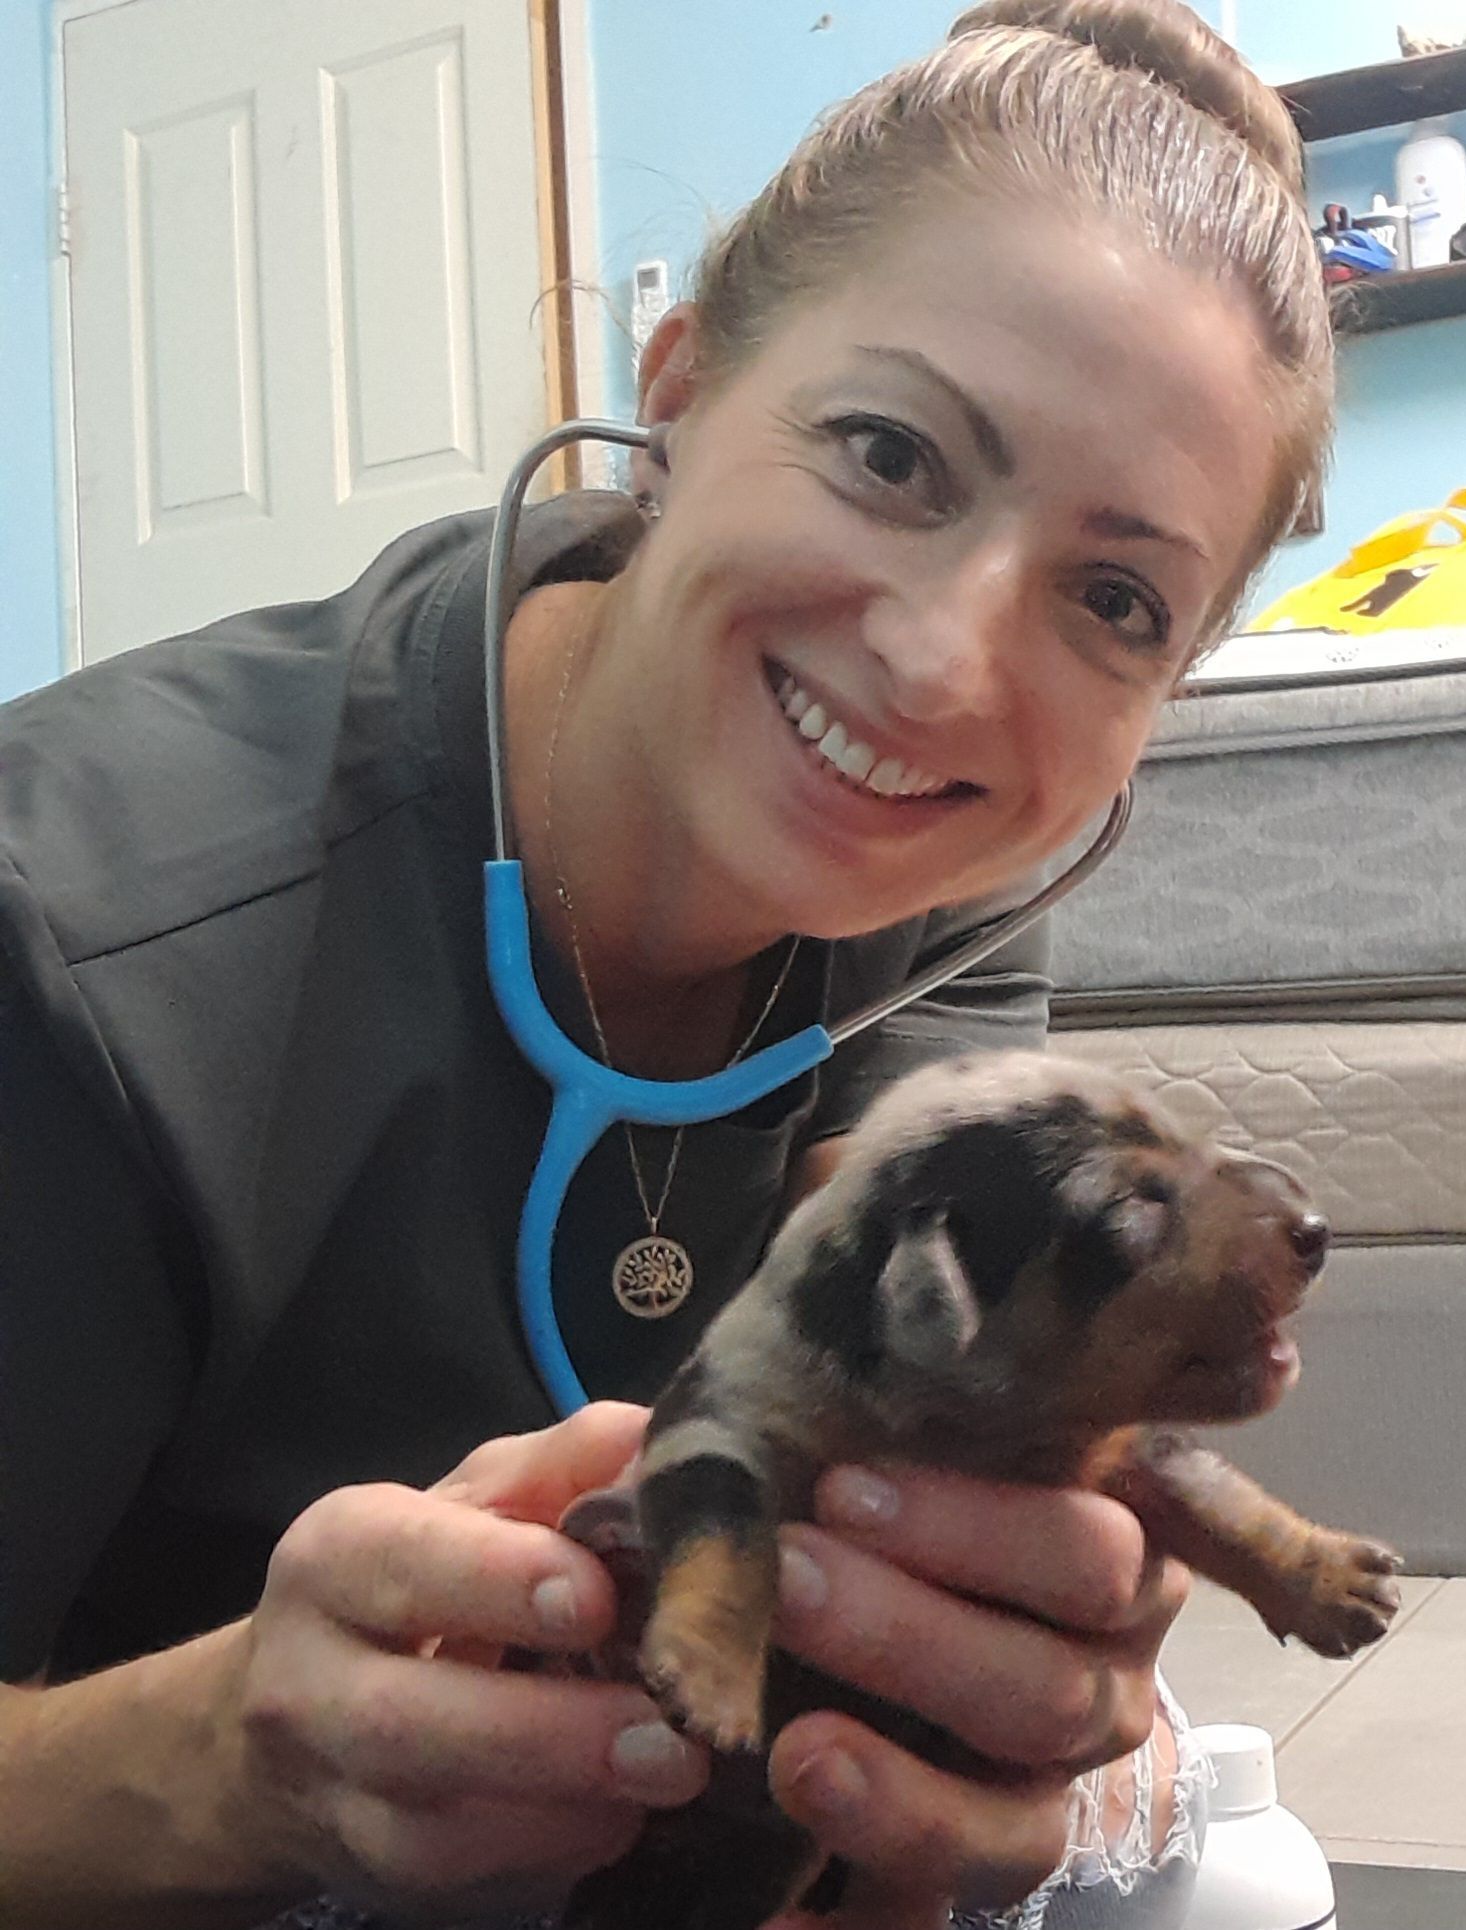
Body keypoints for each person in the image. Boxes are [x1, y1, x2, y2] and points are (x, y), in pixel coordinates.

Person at [0, 2, 1333, 1926]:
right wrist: (232, 1762)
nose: (948, 664)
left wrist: (977, 1679)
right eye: (891, 452)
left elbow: (908, 1378)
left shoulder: (937, 866)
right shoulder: (84, 937)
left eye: (1115, 599)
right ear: (681, 387)